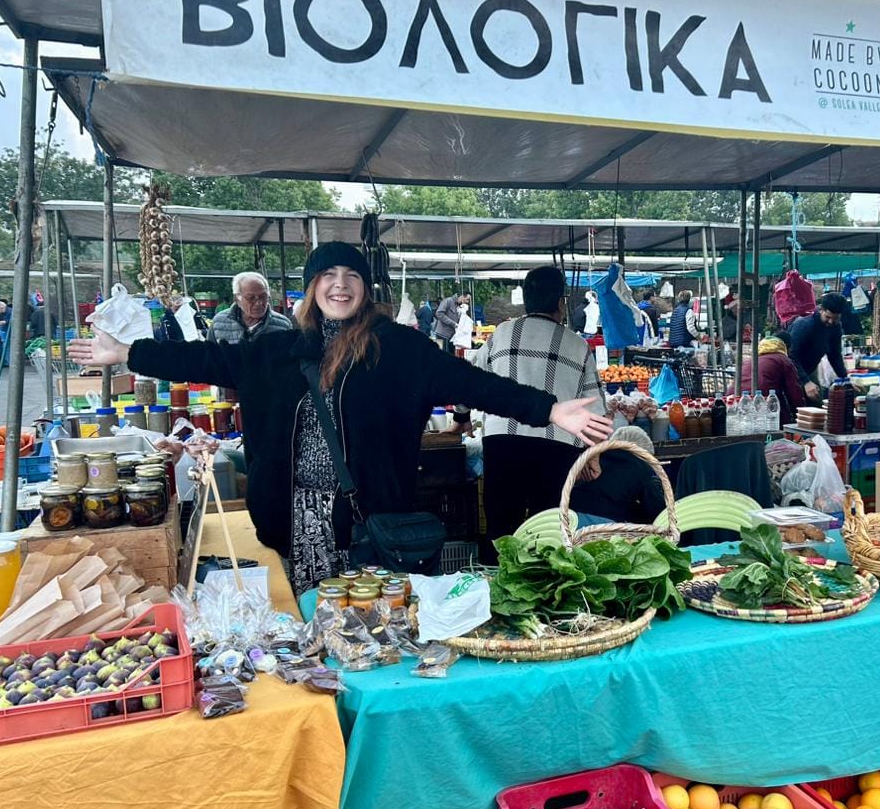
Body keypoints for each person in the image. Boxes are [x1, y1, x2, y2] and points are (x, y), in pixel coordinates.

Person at [69, 242, 610, 594]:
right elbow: (206, 358)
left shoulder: (399, 348)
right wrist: (127, 353)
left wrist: (549, 409)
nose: (340, 284)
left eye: (351, 274)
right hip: (294, 517)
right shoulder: (277, 349)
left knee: (374, 628)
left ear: (365, 288)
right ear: (312, 286)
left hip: (370, 521)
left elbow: (474, 384)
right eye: (327, 274)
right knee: (312, 627)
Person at [448, 264, 605, 563]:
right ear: (560, 303)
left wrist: (461, 418)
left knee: (502, 530)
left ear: (526, 300)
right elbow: (594, 406)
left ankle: (496, 592)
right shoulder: (578, 345)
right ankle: (545, 598)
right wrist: (593, 454)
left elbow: (467, 380)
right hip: (558, 448)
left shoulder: (502, 334)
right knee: (548, 534)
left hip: (503, 444)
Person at [569, 425, 666, 526]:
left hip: (567, 517)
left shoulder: (593, 457)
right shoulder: (642, 466)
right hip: (602, 524)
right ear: (644, 453)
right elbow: (658, 512)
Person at [788, 291, 848, 401]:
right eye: (828, 317)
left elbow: (834, 355)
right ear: (821, 309)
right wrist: (805, 382)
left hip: (810, 369)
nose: (831, 322)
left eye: (836, 318)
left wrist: (845, 379)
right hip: (789, 370)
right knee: (797, 407)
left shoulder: (836, 327)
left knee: (817, 403)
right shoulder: (805, 324)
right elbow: (791, 355)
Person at [208, 272, 295, 345]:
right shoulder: (219, 322)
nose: (259, 303)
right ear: (237, 298)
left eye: (263, 297)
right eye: (251, 298)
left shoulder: (283, 325)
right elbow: (209, 359)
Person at [740, 337, 806, 426]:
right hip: (762, 402)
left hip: (737, 400)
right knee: (778, 408)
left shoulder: (750, 360)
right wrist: (802, 416)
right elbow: (794, 391)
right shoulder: (784, 360)